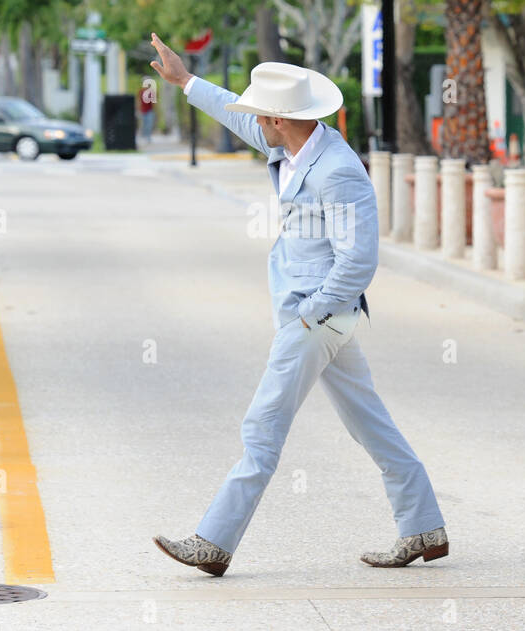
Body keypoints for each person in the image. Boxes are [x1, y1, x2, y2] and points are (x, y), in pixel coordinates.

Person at [147, 32, 448, 576]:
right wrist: (185, 80)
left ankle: (212, 543)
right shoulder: (292, 147)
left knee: (262, 428)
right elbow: (236, 117)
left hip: (316, 317)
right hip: (320, 317)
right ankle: (424, 527)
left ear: (281, 119)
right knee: (370, 423)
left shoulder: (337, 169)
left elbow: (359, 260)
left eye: (263, 117)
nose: (255, 123)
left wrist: (313, 312)